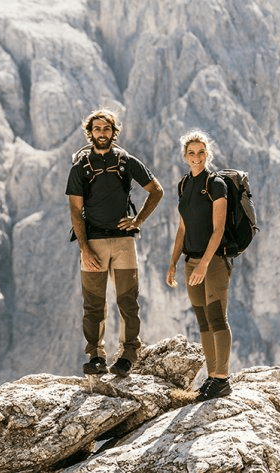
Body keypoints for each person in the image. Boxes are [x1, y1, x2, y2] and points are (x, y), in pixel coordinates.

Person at [66, 109, 163, 377]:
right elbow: (75, 210)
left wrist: (138, 220)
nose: (101, 133)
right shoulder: (80, 167)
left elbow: (156, 190)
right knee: (94, 303)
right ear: (90, 133)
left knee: (128, 301)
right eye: (97, 129)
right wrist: (84, 248)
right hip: (93, 242)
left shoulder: (126, 161)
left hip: (123, 242)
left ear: (113, 132)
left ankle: (128, 354)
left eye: (106, 129)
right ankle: (96, 356)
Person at [166, 130, 233, 401]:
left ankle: (222, 378)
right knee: (203, 321)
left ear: (208, 154)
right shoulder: (184, 185)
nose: (196, 157)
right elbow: (182, 229)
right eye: (191, 152)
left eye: (201, 152)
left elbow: (218, 230)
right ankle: (212, 377)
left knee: (218, 317)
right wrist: (172, 264)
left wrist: (204, 265)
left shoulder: (216, 185)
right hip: (189, 261)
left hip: (213, 263)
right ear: (185, 156)